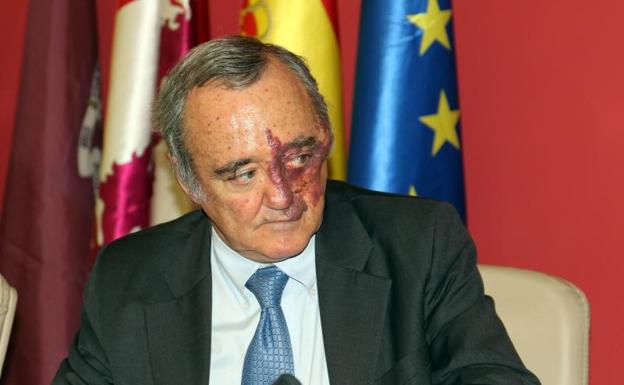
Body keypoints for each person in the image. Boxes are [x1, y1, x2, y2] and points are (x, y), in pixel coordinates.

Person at [52, 36, 539, 385]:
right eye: (243, 173)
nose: (284, 196)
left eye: (299, 158)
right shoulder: (129, 277)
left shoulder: (418, 244)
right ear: (190, 182)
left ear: (325, 138)